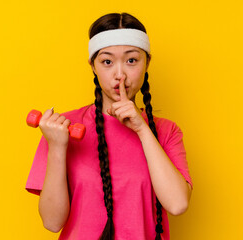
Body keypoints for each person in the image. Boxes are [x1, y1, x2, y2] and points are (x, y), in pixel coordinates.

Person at [25, 12, 193, 240]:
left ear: (147, 63)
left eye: (131, 60)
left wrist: (142, 130)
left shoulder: (166, 131)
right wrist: (56, 146)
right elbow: (52, 222)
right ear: (93, 66)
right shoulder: (60, 128)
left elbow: (177, 204)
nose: (120, 75)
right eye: (107, 62)